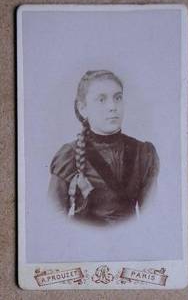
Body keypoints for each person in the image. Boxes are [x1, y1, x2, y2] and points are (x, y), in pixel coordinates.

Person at [48, 70, 159, 226]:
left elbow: (153, 217)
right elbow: (53, 220)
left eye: (118, 98)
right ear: (83, 108)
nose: (112, 107)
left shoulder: (143, 153)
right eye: (101, 99)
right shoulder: (69, 155)